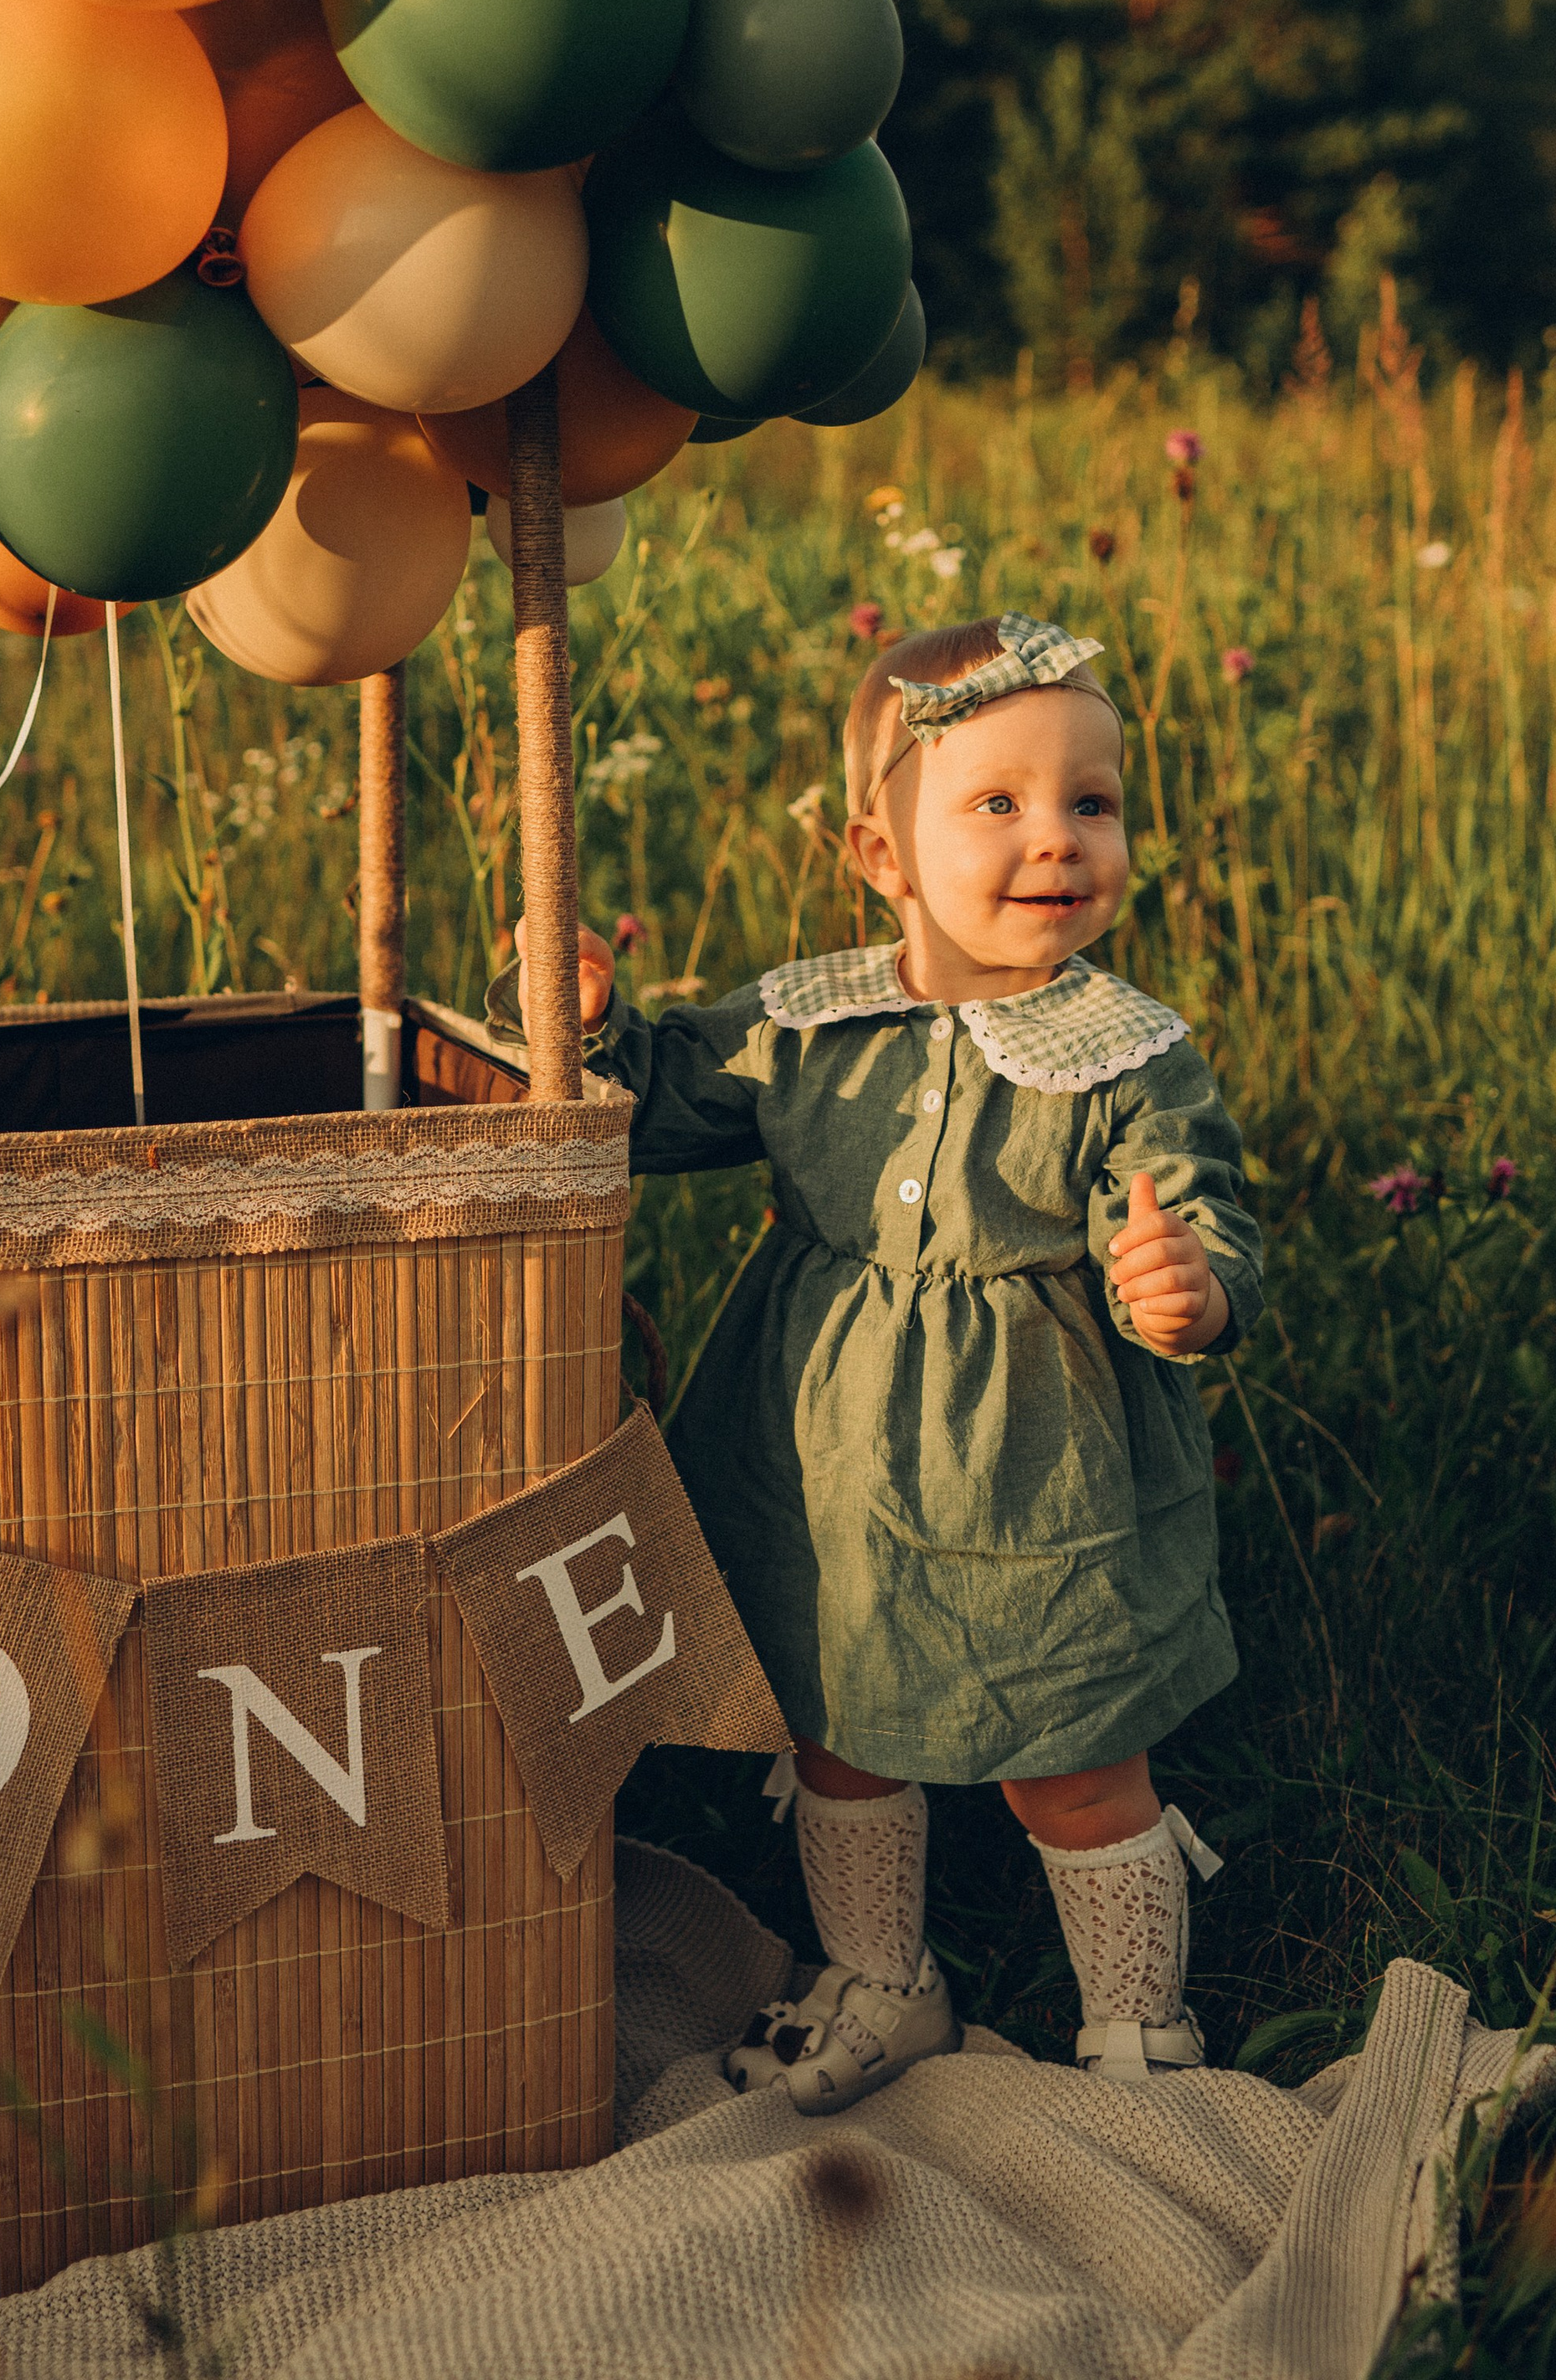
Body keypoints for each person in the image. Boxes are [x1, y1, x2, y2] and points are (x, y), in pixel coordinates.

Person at [504, 614, 1260, 2107]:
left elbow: (1193, 1205)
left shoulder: (1127, 1055)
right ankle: (884, 1978)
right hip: (825, 1464)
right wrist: (582, 1021)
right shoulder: (815, 1021)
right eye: (1001, 802)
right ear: (879, 853)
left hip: (1037, 1470)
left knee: (1073, 1750)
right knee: (837, 1720)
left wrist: (1189, 1289)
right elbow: (647, 1106)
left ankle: (1138, 2031)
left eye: (1092, 802)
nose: (1058, 839)